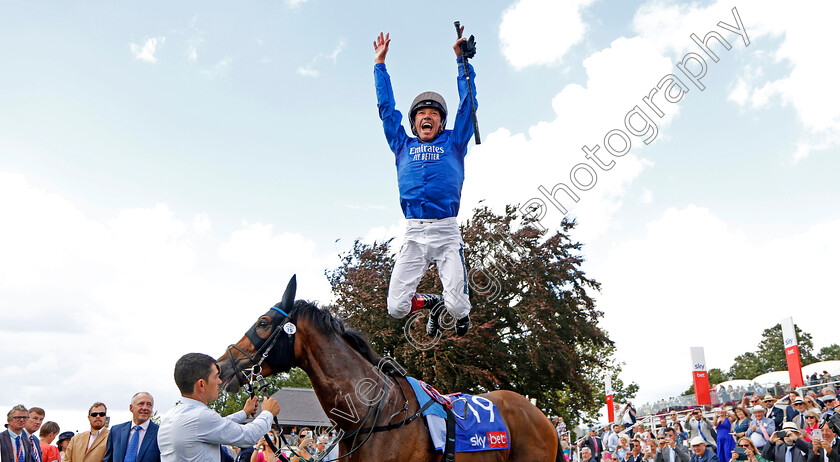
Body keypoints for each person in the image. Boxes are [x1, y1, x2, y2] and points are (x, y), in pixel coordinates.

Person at [373, 27, 478, 337]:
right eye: (422, 114)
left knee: (459, 308)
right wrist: (379, 65)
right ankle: (432, 302)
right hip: (414, 233)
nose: (427, 117)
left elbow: (468, 106)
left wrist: (463, 63)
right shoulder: (401, 144)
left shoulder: (455, 142)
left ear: (441, 121)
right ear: (414, 121)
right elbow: (385, 110)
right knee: (396, 308)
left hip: (446, 232)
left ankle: (450, 306)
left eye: (433, 113)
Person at [158, 353, 280, 462]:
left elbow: (218, 425)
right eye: (216, 376)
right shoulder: (201, 416)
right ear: (201, 384)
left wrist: (244, 413)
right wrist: (268, 413)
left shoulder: (172, 416)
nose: (220, 381)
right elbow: (248, 436)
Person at [103, 392, 160, 462]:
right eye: (141, 404)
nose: (145, 408)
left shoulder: (159, 433)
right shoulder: (116, 431)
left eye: (149, 405)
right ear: (131, 408)